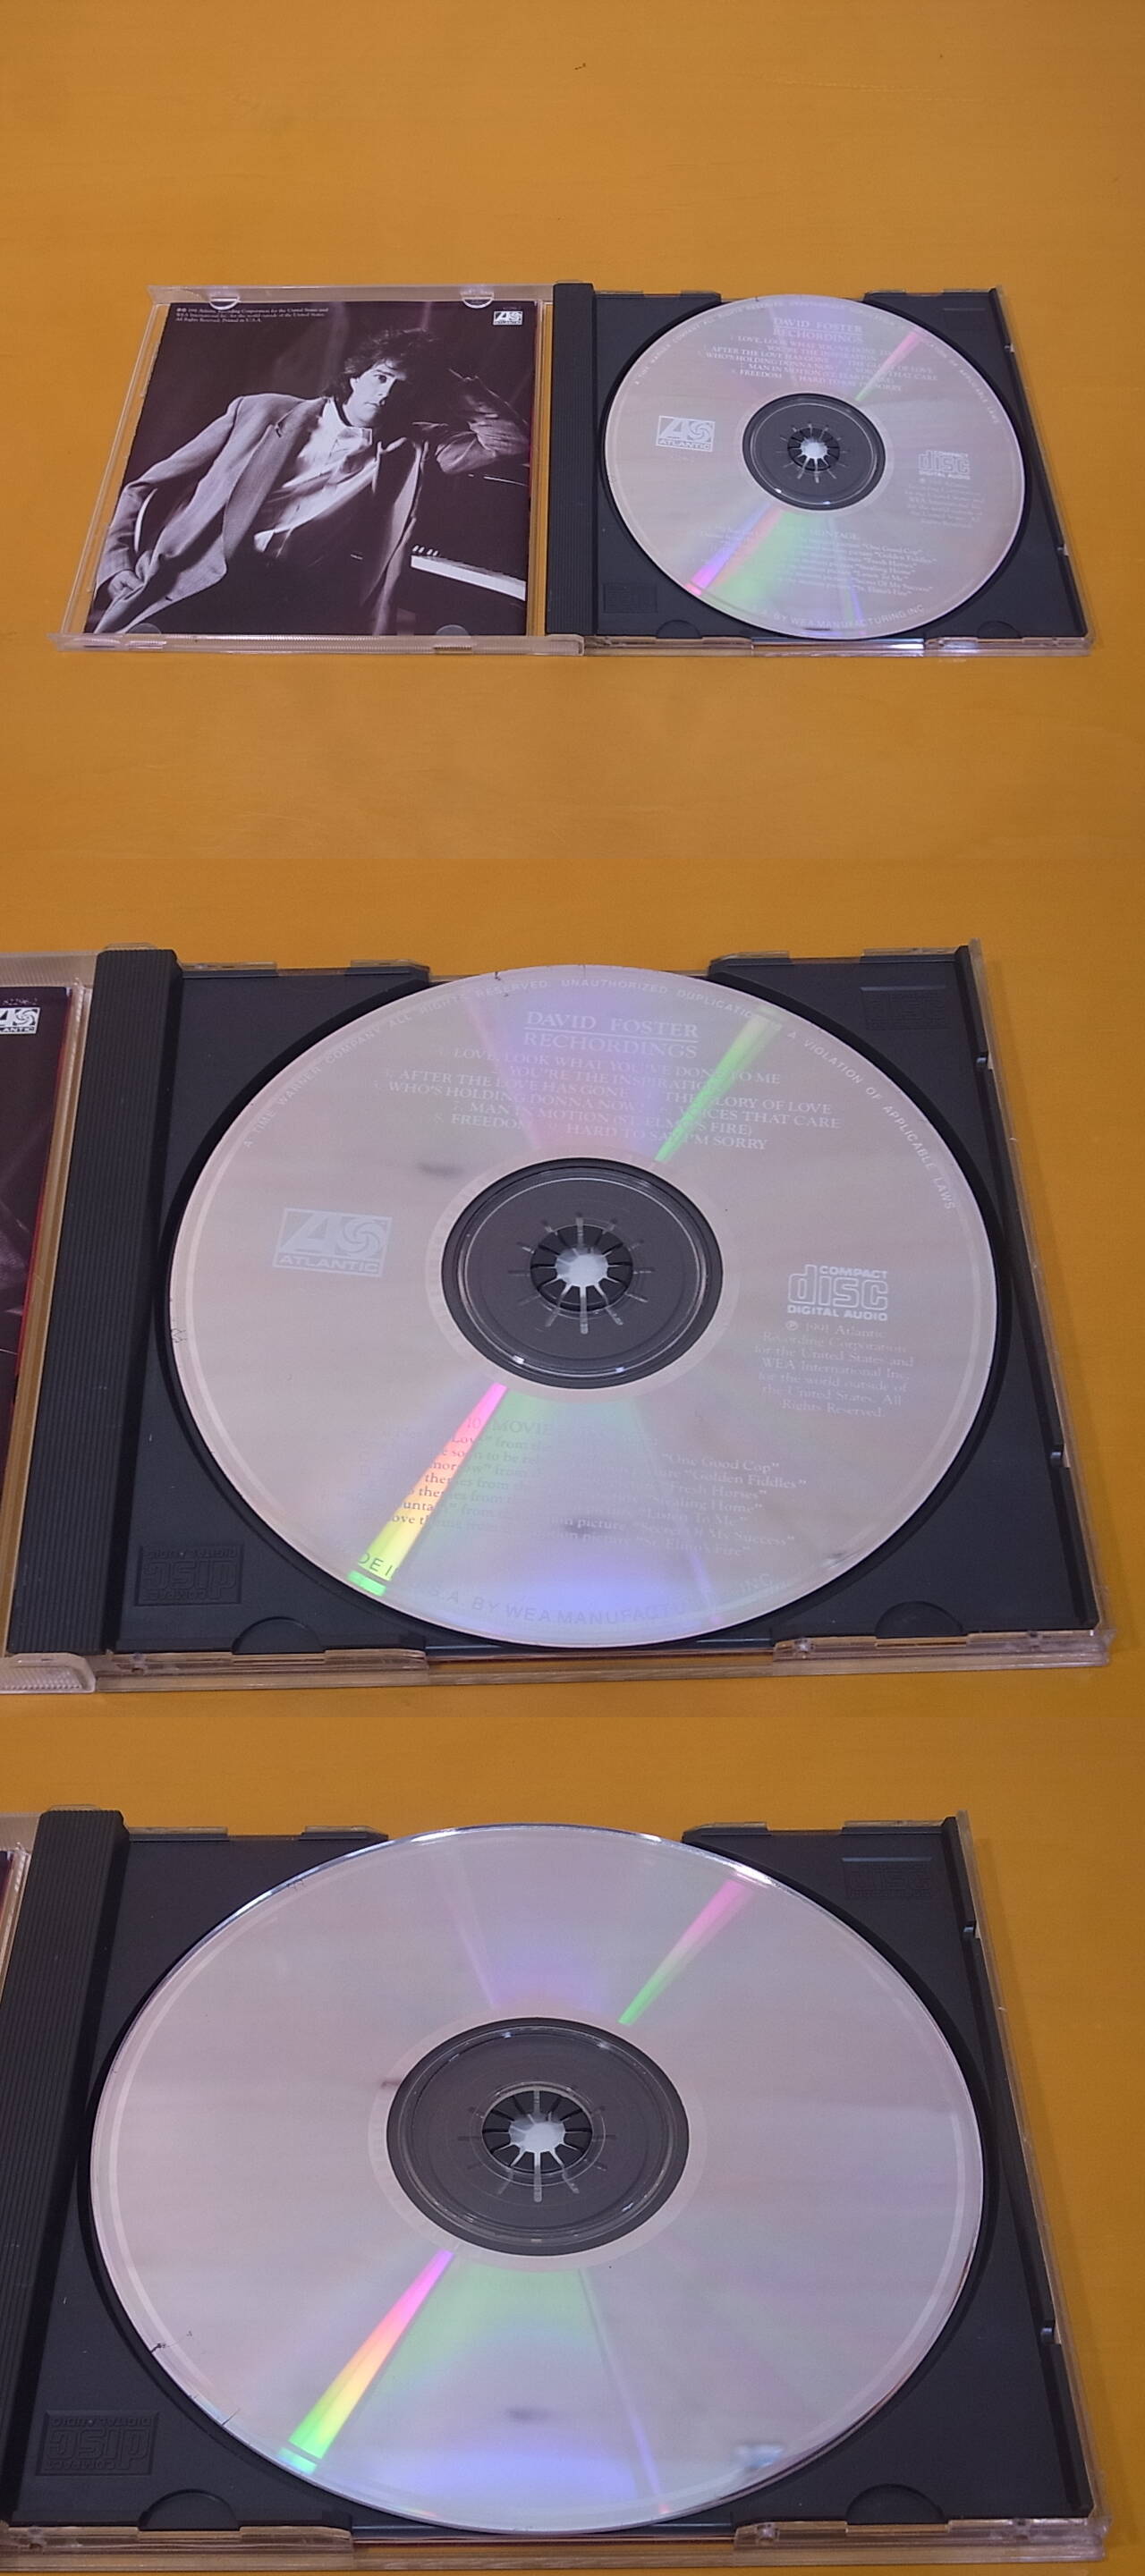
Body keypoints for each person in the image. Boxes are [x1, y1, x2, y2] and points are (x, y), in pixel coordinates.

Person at [88, 325, 529, 637]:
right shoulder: (259, 412)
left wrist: (449, 383)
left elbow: (510, 442)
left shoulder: (416, 448)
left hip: (293, 600)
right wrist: (115, 565)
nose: (386, 393)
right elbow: (144, 487)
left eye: (404, 387)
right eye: (380, 377)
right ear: (355, 377)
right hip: (196, 577)